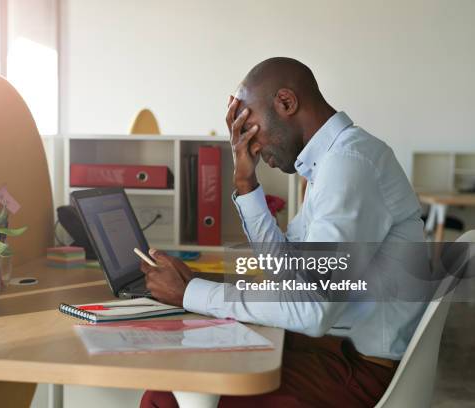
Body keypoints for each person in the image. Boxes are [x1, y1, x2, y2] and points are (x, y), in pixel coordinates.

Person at [139, 57, 425, 407]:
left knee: (192, 395)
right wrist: (246, 183)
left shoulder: (350, 166)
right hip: (323, 350)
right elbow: (287, 276)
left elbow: (312, 309)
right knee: (164, 390)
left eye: (249, 128)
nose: (250, 145)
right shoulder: (330, 165)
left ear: (286, 103)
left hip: (352, 369)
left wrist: (191, 294)